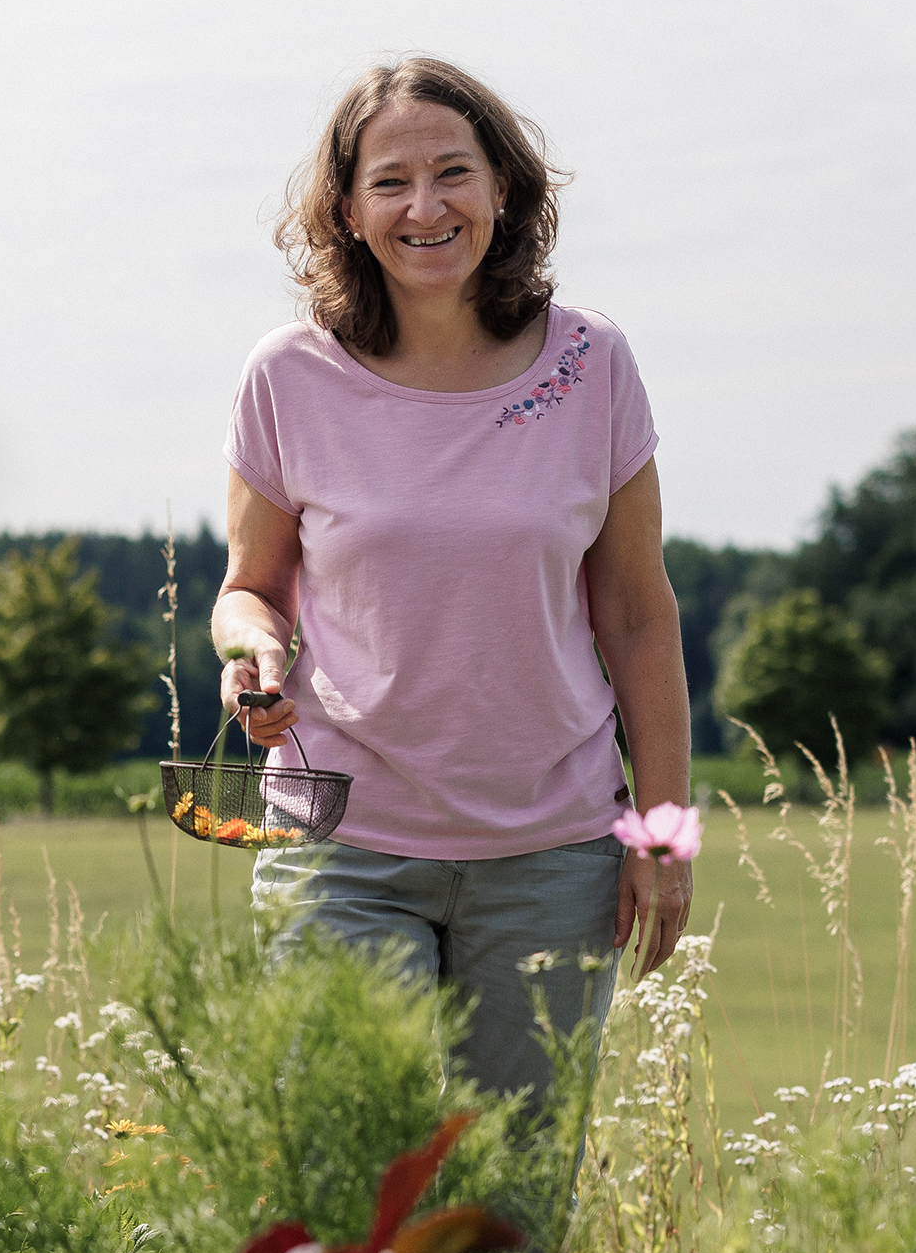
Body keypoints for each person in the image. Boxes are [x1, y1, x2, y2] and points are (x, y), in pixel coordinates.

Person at [211, 55, 692, 1112]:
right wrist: (250, 651)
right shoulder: (287, 375)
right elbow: (249, 587)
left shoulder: (590, 363)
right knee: (343, 1199)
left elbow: (636, 614)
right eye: (388, 181)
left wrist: (660, 828)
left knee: (508, 1217)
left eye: (451, 173)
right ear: (344, 208)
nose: (422, 206)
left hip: (550, 856)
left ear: (503, 189)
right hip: (339, 847)